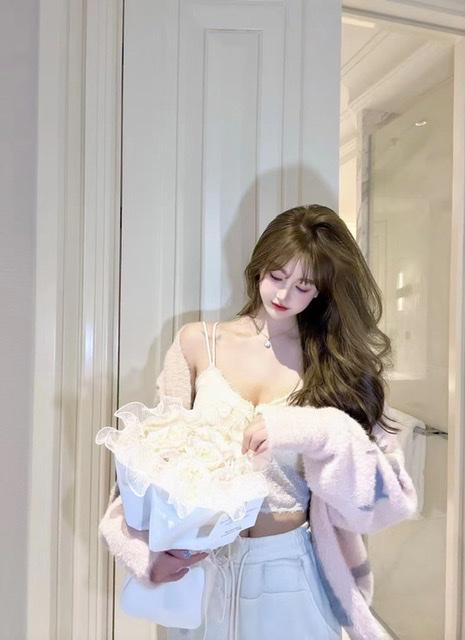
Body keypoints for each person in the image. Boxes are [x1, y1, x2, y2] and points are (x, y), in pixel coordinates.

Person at [100, 204, 416, 640]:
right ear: (259, 267)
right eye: (276, 275)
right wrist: (142, 552)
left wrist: (313, 429)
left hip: (291, 570)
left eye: (303, 286)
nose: (283, 294)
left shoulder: (337, 367)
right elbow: (150, 462)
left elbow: (389, 497)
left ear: (321, 291)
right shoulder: (198, 342)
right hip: (206, 570)